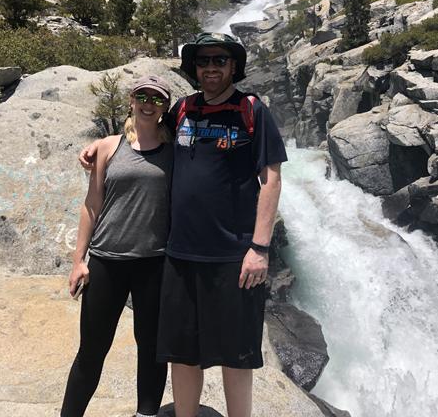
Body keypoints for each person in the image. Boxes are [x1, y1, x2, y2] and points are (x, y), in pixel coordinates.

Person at [79, 32, 288, 417]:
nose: (211, 68)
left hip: (233, 255)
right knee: (182, 351)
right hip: (178, 255)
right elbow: (146, 133)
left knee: (236, 354)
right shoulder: (183, 110)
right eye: (203, 61)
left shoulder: (252, 111)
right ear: (193, 67)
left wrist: (259, 248)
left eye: (219, 61)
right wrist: (104, 143)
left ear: (233, 67)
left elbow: (271, 179)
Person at [62, 75, 173, 417]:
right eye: (142, 95)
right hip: (107, 260)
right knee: (92, 349)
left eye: (156, 98)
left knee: (152, 348)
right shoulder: (109, 147)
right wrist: (79, 260)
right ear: (130, 100)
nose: (147, 103)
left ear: (164, 107)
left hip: (153, 263)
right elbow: (91, 204)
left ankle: (146, 414)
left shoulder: (175, 151)